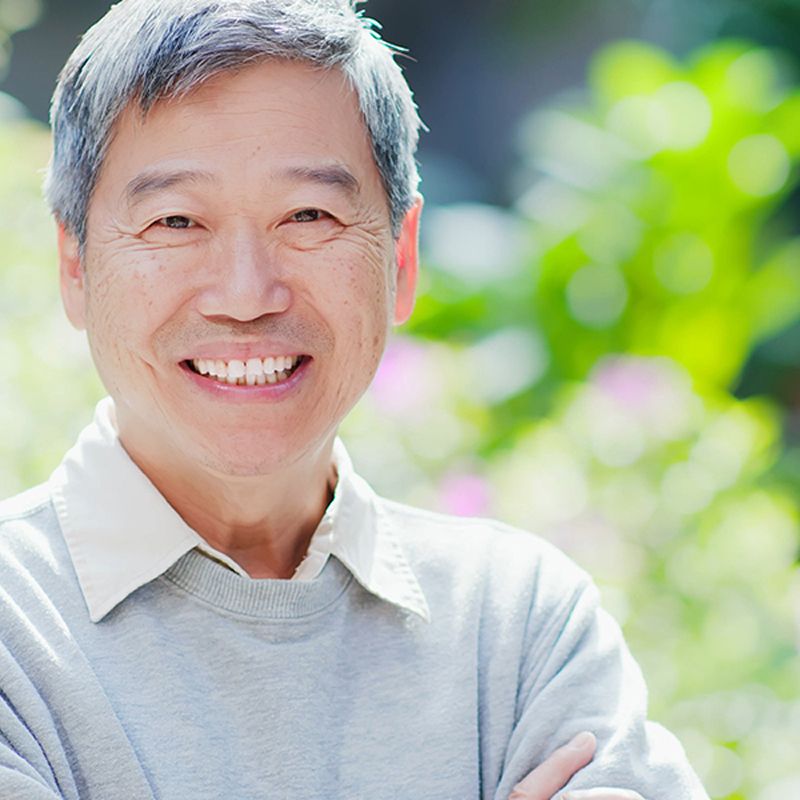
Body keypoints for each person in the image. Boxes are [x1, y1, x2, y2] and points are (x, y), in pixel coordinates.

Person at [0, 1, 708, 798]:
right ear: (75, 266)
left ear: (400, 259)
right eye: (176, 220)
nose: (246, 294)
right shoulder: (14, 627)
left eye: (309, 215)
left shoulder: (517, 626)